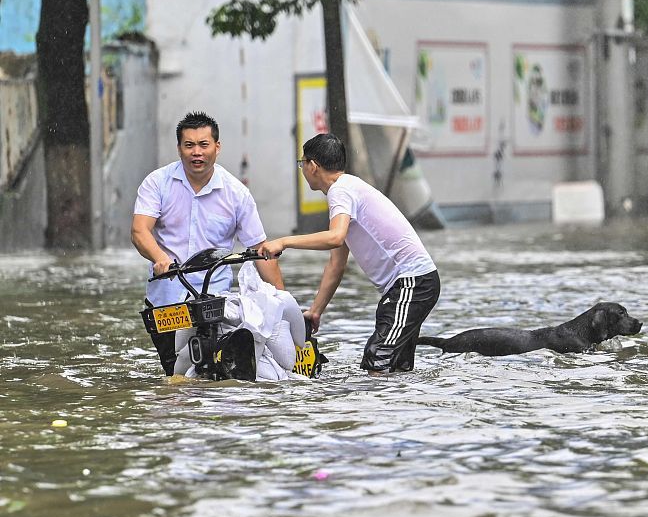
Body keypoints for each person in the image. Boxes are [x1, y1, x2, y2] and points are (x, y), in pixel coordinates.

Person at [258, 134, 439, 375]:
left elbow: (335, 237)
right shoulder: (349, 190)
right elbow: (336, 264)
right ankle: (399, 409)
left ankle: (373, 410)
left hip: (412, 283)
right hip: (410, 285)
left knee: (378, 359)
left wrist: (284, 241)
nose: (302, 169)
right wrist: (316, 310)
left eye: (302, 163)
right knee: (396, 368)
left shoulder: (340, 190)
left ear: (313, 166)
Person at [131, 111, 285, 375]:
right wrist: (160, 258)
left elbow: (261, 252)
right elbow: (139, 231)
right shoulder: (157, 183)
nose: (196, 152)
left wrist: (281, 302)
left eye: (204, 145)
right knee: (175, 377)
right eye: (189, 145)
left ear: (217, 147)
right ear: (179, 148)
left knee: (216, 373)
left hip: (215, 303)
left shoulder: (236, 193)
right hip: (166, 302)